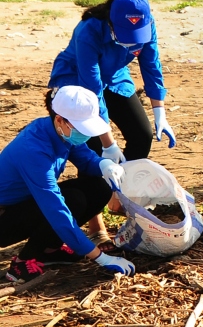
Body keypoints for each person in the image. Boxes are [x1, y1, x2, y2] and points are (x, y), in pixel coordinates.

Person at [1, 87, 135, 281]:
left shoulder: (60, 132)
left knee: (99, 189)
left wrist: (104, 165)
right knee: (73, 201)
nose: (85, 135)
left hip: (25, 203)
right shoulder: (33, 151)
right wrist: (100, 257)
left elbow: (85, 157)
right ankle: (23, 263)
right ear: (59, 120)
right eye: (81, 128)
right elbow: (56, 210)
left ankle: (48, 250)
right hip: (4, 218)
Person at [49, 0, 176, 163]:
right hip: (77, 78)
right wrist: (109, 144)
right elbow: (92, 88)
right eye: (126, 35)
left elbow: (151, 66)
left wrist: (159, 112)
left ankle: (124, 183)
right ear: (111, 23)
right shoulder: (88, 31)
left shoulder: (147, 23)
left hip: (115, 76)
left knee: (142, 135)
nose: (132, 43)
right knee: (94, 144)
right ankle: (97, 184)